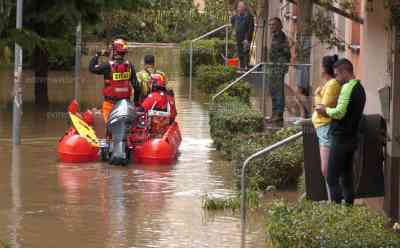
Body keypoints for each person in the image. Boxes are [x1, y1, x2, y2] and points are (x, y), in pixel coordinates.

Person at [315, 58, 366, 205]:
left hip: (341, 138)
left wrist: (325, 110)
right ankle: (348, 208)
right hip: (352, 138)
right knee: (346, 176)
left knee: (331, 177)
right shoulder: (360, 88)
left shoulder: (347, 88)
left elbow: (339, 112)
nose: (336, 78)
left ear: (345, 72)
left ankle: (336, 211)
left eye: (337, 74)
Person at [311, 55, 341, 198]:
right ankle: (333, 202)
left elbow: (322, 108)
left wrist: (317, 95)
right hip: (321, 128)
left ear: (324, 69)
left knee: (327, 169)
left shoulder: (333, 84)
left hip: (326, 128)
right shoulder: (329, 84)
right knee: (326, 169)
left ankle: (335, 203)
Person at [89, 38, 139, 123]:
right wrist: (136, 103)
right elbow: (137, 86)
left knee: (108, 128)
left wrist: (98, 54)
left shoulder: (108, 66)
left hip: (110, 104)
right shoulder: (130, 66)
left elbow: (92, 68)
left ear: (115, 51)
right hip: (125, 105)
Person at [266, 17, 291, 124]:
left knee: (278, 92)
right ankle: (274, 114)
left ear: (279, 26)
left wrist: (281, 65)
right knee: (273, 91)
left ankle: (279, 114)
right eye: (270, 25)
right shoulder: (275, 37)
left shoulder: (281, 37)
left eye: (273, 24)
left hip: (278, 68)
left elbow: (286, 54)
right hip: (273, 68)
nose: (271, 26)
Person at [230, 1, 254, 69]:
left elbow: (251, 29)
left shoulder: (249, 16)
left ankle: (246, 69)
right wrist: (234, 30)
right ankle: (241, 68)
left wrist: (247, 39)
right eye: (239, 7)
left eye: (241, 6)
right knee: (239, 54)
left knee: (245, 53)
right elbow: (232, 22)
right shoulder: (235, 17)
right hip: (238, 38)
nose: (240, 8)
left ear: (245, 7)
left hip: (246, 38)